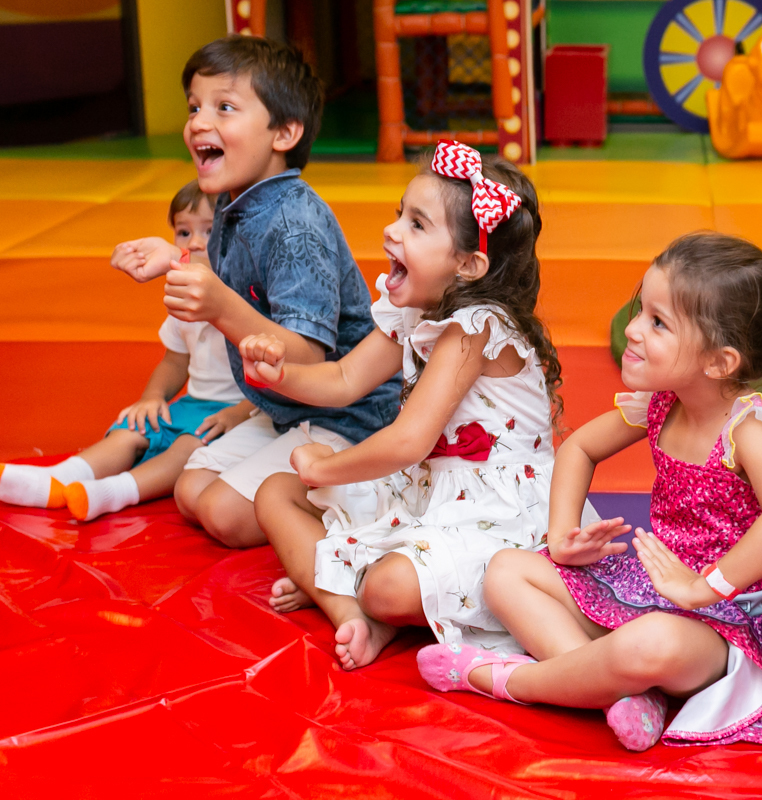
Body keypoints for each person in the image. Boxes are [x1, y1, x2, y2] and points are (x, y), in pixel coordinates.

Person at [417, 231, 762, 752]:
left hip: (730, 624)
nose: (632, 328)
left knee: (649, 644)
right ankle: (620, 695)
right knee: (505, 571)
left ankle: (502, 679)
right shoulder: (662, 401)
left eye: (658, 322)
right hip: (654, 590)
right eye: (641, 309)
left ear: (719, 362)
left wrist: (707, 587)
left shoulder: (750, 429)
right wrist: (561, 534)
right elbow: (579, 449)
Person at [241, 141, 579, 670]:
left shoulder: (475, 327)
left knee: (389, 586)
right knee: (277, 493)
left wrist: (326, 466)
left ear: (468, 264)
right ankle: (349, 611)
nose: (393, 230)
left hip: (493, 512)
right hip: (425, 491)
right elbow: (346, 376)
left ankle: (361, 600)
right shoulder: (411, 311)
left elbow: (408, 440)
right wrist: (281, 375)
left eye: (417, 225)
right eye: (400, 213)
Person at [111, 36, 399, 547]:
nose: (199, 122)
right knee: (190, 488)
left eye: (224, 107)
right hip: (287, 409)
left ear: (285, 132)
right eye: (195, 107)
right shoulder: (233, 203)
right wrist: (174, 257)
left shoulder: (293, 223)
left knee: (223, 514)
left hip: (349, 414)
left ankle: (374, 491)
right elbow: (239, 285)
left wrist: (219, 306)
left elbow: (307, 353)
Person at [0, 181, 253, 521]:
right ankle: (60, 476)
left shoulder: (247, 299)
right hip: (194, 404)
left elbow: (270, 375)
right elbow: (174, 361)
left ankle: (116, 492)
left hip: (239, 411)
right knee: (130, 430)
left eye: (209, 231)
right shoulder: (183, 299)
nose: (195, 243)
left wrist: (239, 413)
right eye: (183, 233)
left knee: (189, 446)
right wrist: (152, 396)